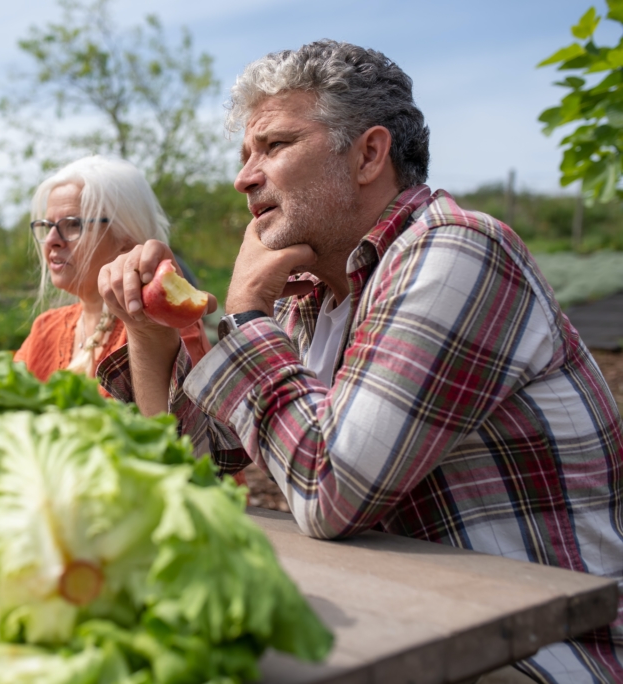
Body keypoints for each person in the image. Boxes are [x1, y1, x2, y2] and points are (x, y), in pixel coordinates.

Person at [96, 40, 623, 682]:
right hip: (399, 630)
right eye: (244, 155)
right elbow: (185, 480)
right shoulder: (310, 301)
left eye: (275, 146)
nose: (244, 177)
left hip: (533, 656)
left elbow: (331, 489)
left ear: (369, 153)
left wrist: (243, 312)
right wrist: (152, 335)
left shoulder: (458, 251)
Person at [13, 155, 210, 383]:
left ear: (125, 239)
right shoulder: (45, 330)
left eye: (73, 224)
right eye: (47, 226)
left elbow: (179, 418)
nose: (51, 240)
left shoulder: (166, 327)